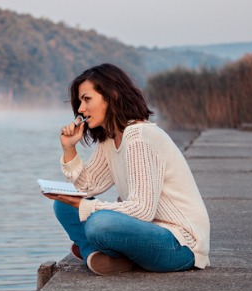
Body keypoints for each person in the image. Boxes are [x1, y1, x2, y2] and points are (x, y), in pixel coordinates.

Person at [42, 63, 210, 276]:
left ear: (111, 95)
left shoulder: (138, 136)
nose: (81, 109)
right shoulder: (110, 138)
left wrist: (87, 207)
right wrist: (69, 149)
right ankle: (99, 256)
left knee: (99, 224)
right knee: (63, 205)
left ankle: (96, 251)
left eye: (87, 99)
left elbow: (142, 209)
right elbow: (85, 187)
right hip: (145, 234)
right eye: (79, 102)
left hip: (180, 245)